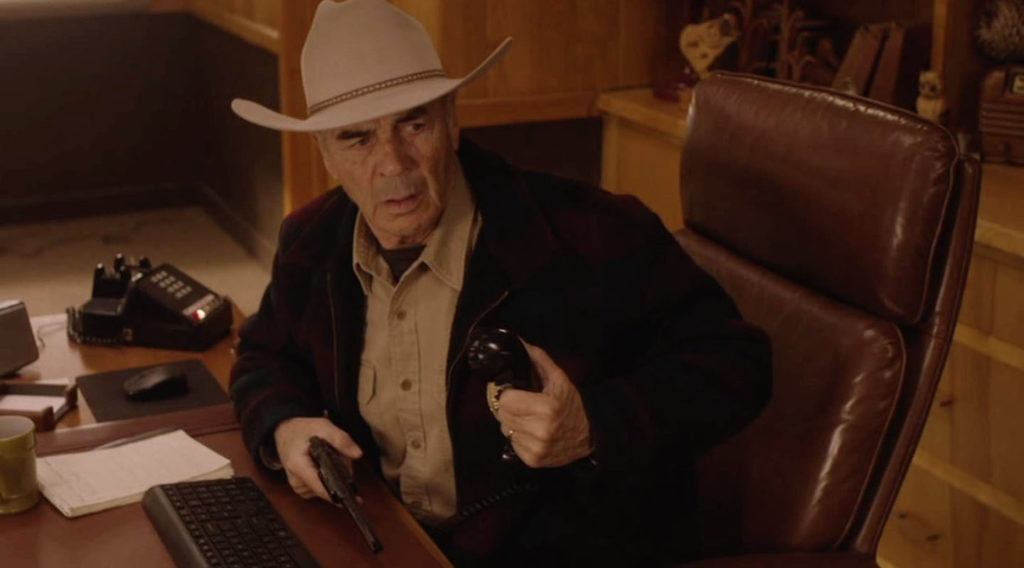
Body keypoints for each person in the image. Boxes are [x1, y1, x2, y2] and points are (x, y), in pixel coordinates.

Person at [229, 0, 771, 565]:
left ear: (452, 120)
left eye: (414, 123)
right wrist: (285, 425)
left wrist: (593, 424)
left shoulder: (594, 233)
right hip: (383, 542)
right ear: (324, 152)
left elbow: (738, 362)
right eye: (357, 139)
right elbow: (264, 354)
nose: (393, 163)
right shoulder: (310, 240)